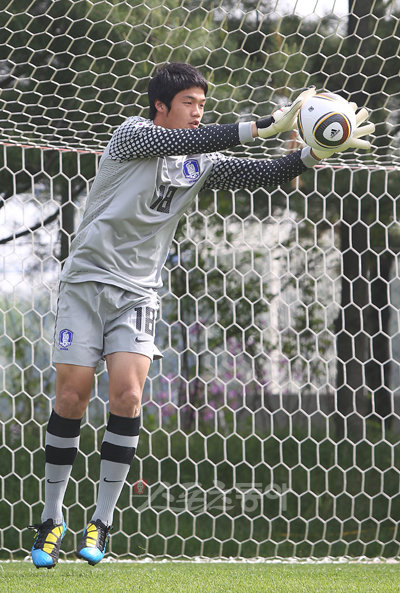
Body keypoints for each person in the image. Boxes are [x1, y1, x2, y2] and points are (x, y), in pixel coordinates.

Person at [29, 62, 373, 568]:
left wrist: (312, 152)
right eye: (189, 103)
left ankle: (99, 523)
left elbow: (262, 174)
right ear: (160, 107)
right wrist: (261, 126)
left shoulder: (201, 159)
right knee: (72, 394)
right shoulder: (132, 137)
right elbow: (180, 143)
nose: (197, 113)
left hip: (138, 293)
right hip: (84, 287)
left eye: (202, 105)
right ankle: (51, 518)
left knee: (127, 395)